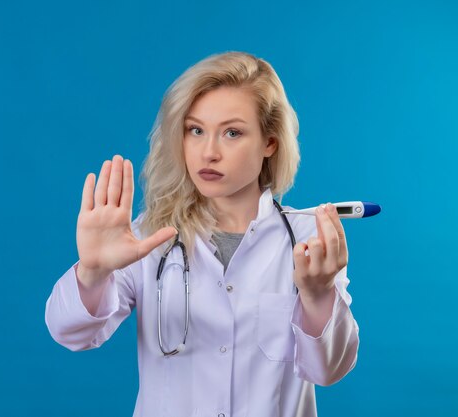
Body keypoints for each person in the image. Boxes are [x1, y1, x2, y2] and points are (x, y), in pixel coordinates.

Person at [45, 51, 359, 417]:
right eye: (196, 130)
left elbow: (329, 370)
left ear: (269, 142)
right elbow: (71, 334)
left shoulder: (308, 240)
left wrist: (319, 295)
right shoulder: (149, 237)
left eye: (232, 133)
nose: (208, 152)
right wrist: (92, 272)